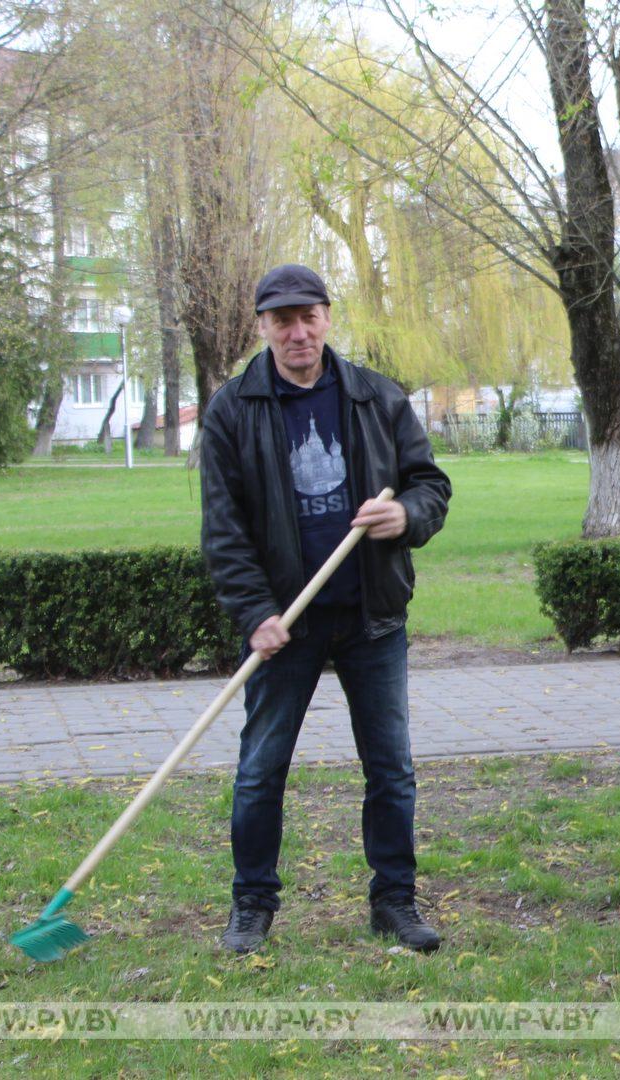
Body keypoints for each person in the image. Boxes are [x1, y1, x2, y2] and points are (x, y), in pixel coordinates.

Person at [199, 263, 452, 953]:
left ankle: (393, 902)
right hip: (287, 624)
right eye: (282, 319)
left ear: (328, 317)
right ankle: (252, 905)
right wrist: (256, 612)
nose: (298, 331)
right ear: (262, 326)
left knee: (390, 767)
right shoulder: (233, 410)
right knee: (260, 768)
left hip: (372, 616)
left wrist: (405, 513)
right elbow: (224, 530)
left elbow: (430, 484)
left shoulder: (375, 398)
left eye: (309, 315)